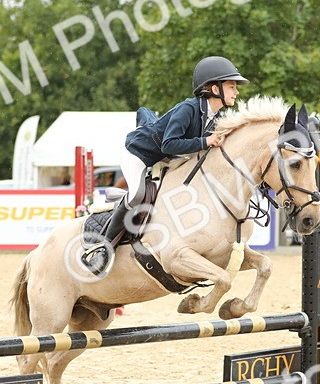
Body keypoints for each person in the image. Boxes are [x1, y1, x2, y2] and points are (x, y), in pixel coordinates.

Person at [83, 56, 248, 262]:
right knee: (136, 196)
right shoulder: (188, 109)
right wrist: (205, 142)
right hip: (139, 154)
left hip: (165, 157)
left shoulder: (215, 118)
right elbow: (168, 144)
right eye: (232, 86)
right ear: (215, 89)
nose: (237, 92)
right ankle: (103, 248)